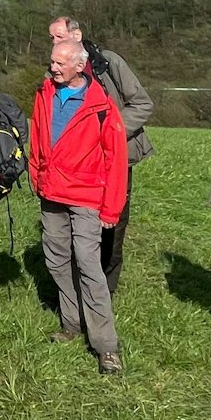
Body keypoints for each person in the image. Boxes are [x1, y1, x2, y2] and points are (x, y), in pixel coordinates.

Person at [29, 40, 128, 375]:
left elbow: (116, 161)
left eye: (60, 63)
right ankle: (72, 324)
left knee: (89, 266)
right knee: (56, 261)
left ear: (78, 66)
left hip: (87, 197)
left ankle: (106, 347)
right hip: (51, 193)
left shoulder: (102, 105)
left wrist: (111, 209)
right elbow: (38, 136)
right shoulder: (44, 93)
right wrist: (36, 175)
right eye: (52, 61)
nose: (53, 67)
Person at [47, 17, 153, 296]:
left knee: (113, 227)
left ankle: (105, 293)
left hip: (116, 160)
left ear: (77, 34)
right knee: (75, 230)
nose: (55, 45)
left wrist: (109, 132)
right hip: (77, 167)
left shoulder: (109, 63)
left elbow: (142, 103)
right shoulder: (54, 73)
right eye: (52, 39)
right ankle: (75, 291)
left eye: (59, 37)